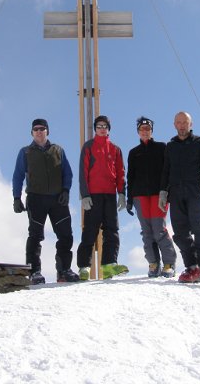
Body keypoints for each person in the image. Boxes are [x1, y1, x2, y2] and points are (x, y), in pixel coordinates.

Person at [12, 118, 79, 284]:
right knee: (35, 236)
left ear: (47, 131)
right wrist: (16, 198)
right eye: (36, 129)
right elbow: (18, 176)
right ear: (32, 133)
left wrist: (65, 190)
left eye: (42, 129)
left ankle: (64, 270)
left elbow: (67, 173)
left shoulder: (58, 150)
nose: (39, 131)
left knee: (65, 235)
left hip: (58, 199)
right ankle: (34, 272)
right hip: (36, 198)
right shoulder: (25, 152)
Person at [159, 111, 200, 286]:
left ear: (190, 124)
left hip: (195, 191)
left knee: (199, 229)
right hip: (176, 193)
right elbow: (166, 170)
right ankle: (191, 268)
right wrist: (163, 192)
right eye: (179, 122)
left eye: (185, 122)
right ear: (174, 124)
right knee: (181, 232)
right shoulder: (171, 146)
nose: (182, 125)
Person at [76, 115, 129, 280]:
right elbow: (83, 172)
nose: (102, 128)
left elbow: (120, 172)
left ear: (108, 129)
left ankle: (108, 265)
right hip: (93, 195)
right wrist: (84, 195)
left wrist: (121, 193)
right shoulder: (89, 146)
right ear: (95, 128)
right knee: (90, 230)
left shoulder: (115, 149)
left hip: (110, 195)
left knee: (112, 230)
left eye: (105, 126)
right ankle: (84, 266)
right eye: (99, 126)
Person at [127, 116, 177, 278]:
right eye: (142, 129)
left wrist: (167, 190)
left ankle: (169, 263)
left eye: (148, 129)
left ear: (152, 131)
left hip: (158, 194)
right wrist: (129, 199)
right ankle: (153, 263)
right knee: (146, 231)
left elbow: (168, 170)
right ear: (138, 132)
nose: (145, 132)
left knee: (158, 229)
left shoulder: (162, 147)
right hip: (139, 196)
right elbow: (130, 176)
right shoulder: (134, 153)